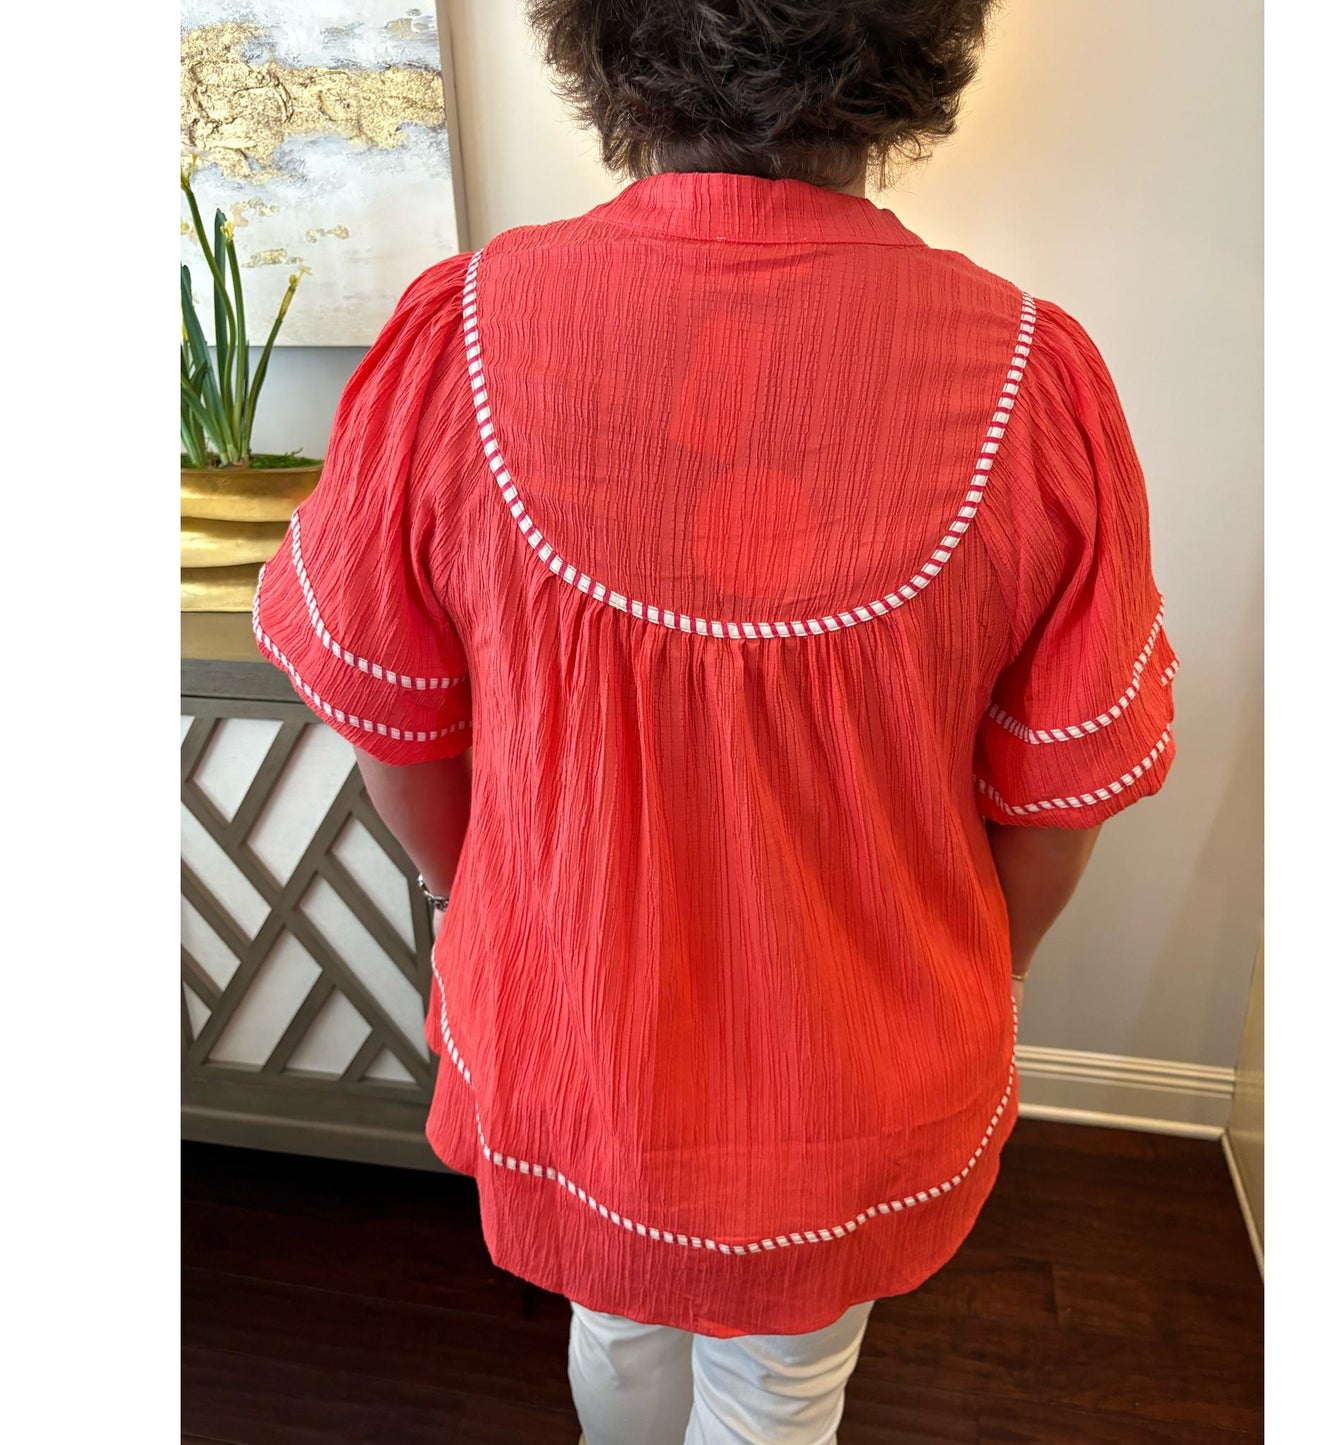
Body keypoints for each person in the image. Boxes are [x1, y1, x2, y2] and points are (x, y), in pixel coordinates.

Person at [251, 2, 1178, 1440]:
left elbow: (397, 740)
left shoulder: (461, 343)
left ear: (601, 41)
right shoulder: (1028, 378)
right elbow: (1057, 806)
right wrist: (948, 973)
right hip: (859, 1072)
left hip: (580, 1037)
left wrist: (509, 904)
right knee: (785, 1383)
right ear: (914, 46)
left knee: (614, 1330)